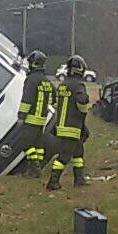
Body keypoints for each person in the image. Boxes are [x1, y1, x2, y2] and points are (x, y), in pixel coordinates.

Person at [46, 54, 92, 190]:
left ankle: (79, 179)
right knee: (64, 156)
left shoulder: (63, 85)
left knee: (78, 152)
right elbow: (82, 100)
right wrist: (84, 110)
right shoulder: (78, 85)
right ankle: (53, 182)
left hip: (61, 125)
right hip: (72, 127)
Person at [16, 50, 55, 177]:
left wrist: (21, 117)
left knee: (25, 144)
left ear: (34, 64)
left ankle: (34, 167)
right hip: (42, 119)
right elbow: (54, 98)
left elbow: (27, 100)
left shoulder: (31, 80)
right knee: (38, 145)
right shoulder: (46, 81)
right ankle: (37, 167)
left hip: (31, 119)